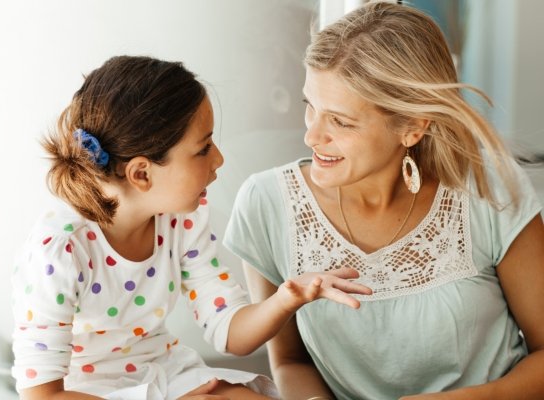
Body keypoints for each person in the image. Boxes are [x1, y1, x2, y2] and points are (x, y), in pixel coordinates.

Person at [224, 2, 544, 400]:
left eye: (340, 121)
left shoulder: (488, 192)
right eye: (311, 107)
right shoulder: (266, 203)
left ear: (411, 127)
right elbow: (290, 361)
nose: (312, 136)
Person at [11, 55, 372, 400]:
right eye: (202, 149)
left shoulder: (180, 219)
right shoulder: (60, 251)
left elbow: (231, 333)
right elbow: (42, 394)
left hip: (165, 374)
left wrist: (287, 297)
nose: (219, 159)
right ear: (141, 173)